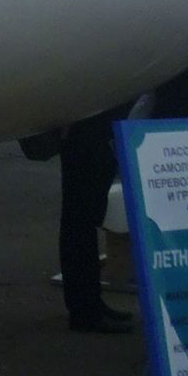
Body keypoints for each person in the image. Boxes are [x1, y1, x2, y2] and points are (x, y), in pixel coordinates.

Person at [56, 102, 133, 334]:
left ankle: (90, 303)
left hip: (93, 127)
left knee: (83, 218)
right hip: (88, 128)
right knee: (80, 220)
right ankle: (85, 310)